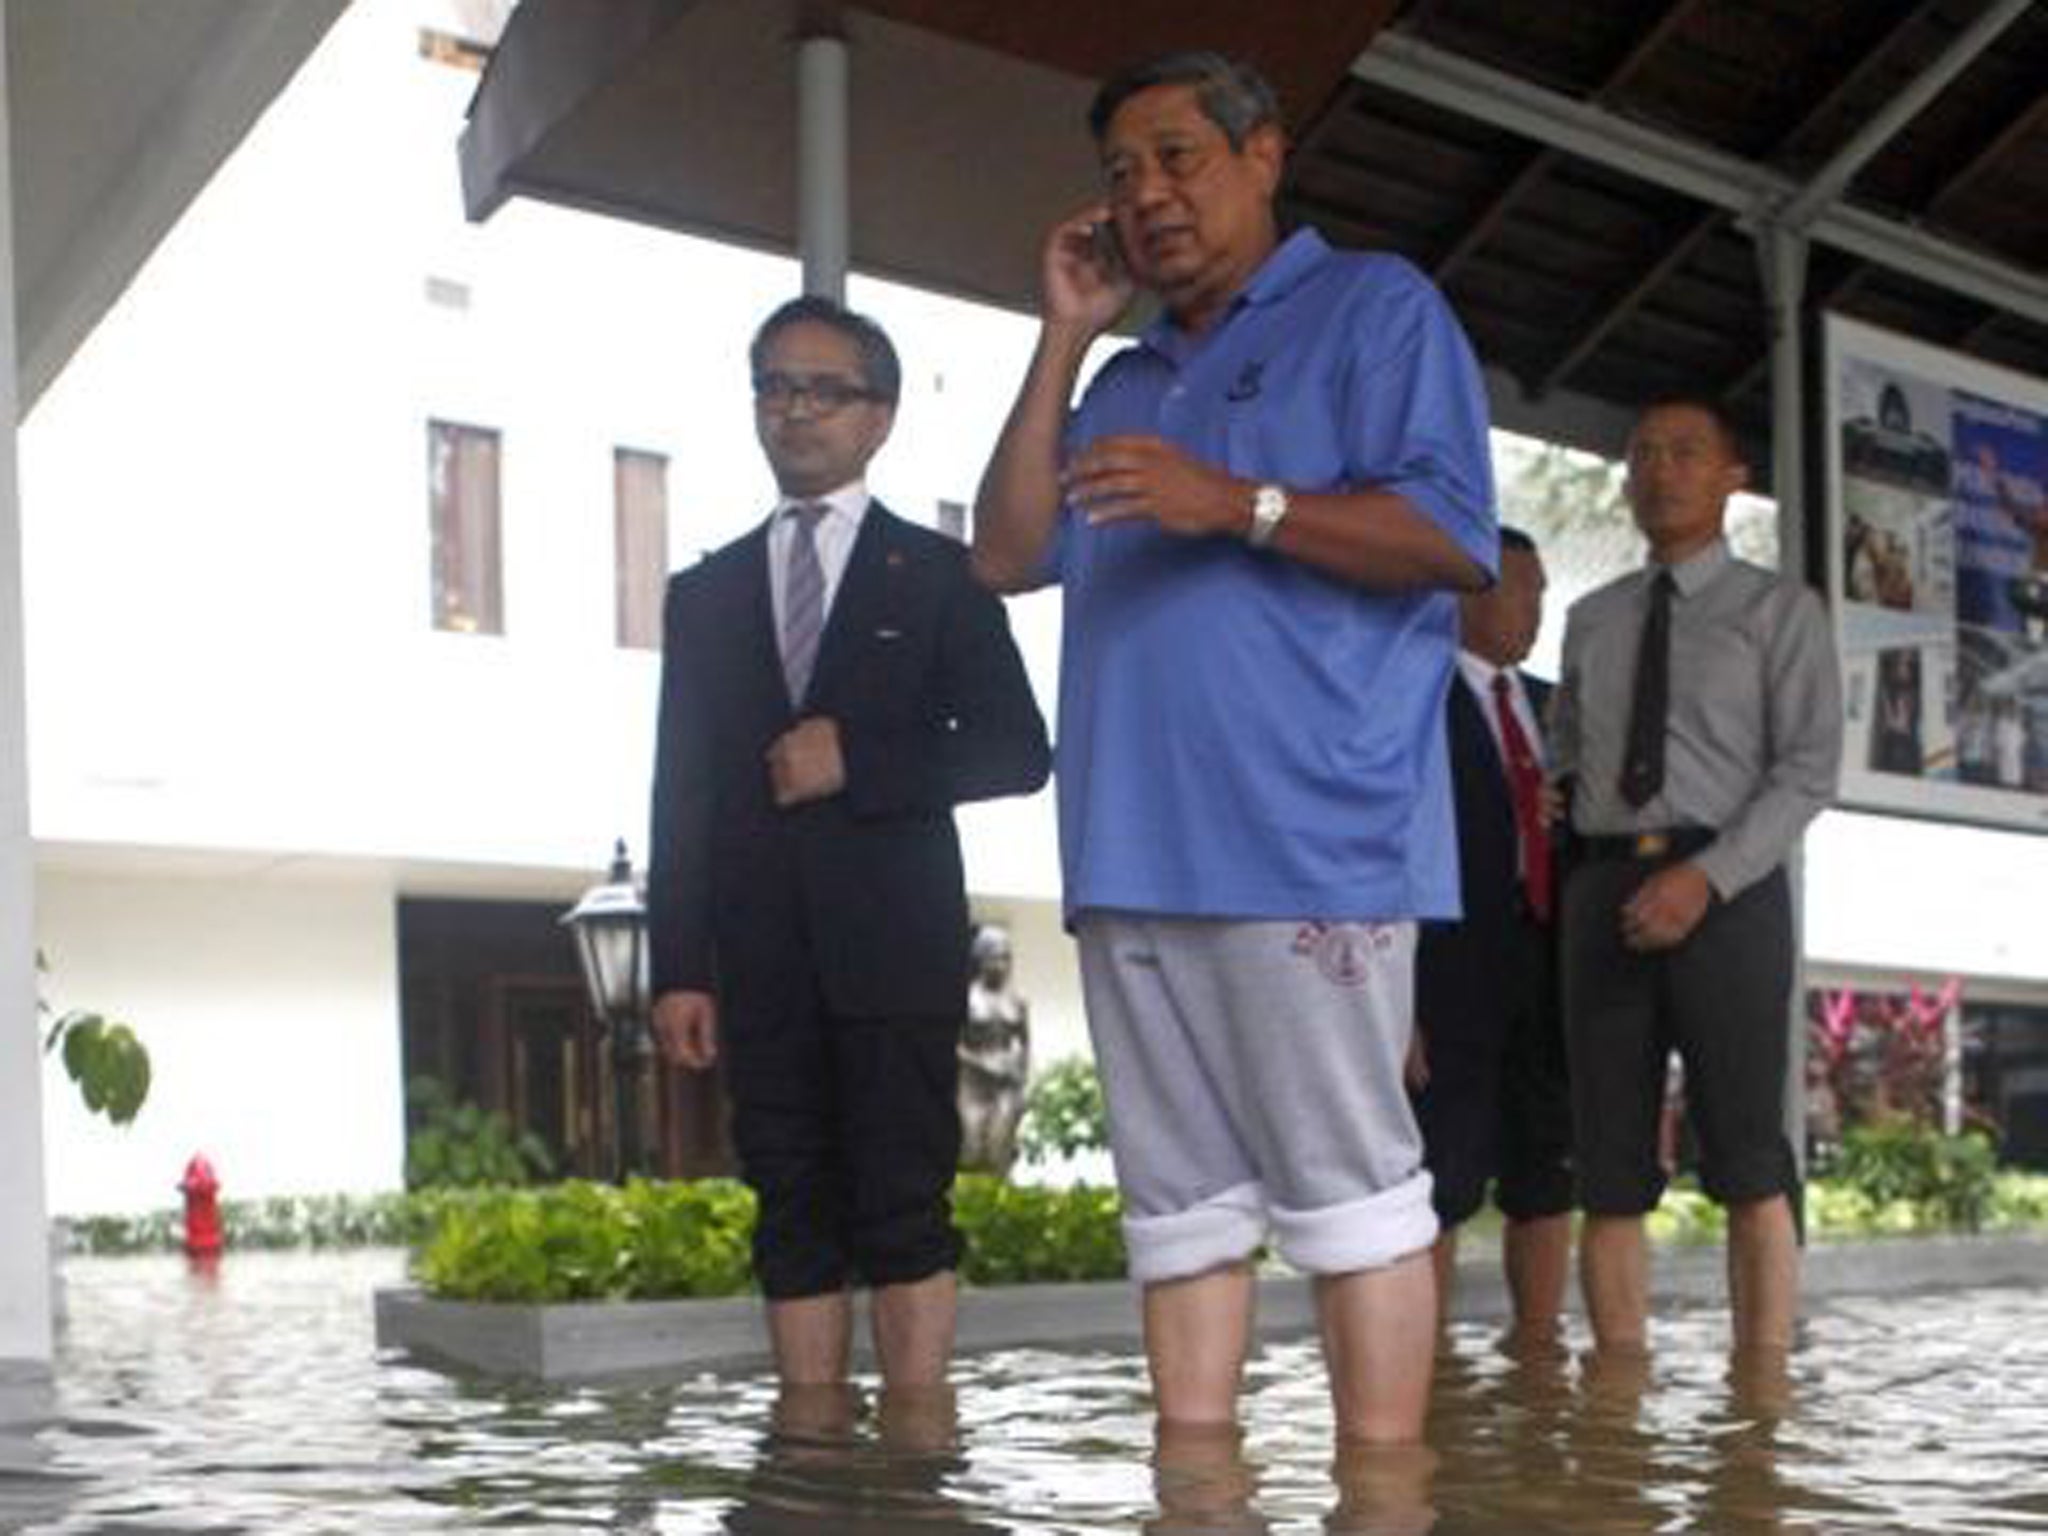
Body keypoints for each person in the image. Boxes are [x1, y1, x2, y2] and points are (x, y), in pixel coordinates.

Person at [970, 51, 1497, 1443]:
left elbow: (1455, 539)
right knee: (1182, 1220)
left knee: (1357, 1202)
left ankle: (1383, 1502)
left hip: (1310, 841)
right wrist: (1065, 336)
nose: (1145, 195)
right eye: (1119, 174)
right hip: (1131, 851)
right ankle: (1196, 1498)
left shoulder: (1377, 310)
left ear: (1265, 155)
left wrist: (1245, 501)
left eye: (1176, 157)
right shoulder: (1125, 381)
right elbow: (1007, 551)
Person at [646, 295, 1051, 1391]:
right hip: (757, 948)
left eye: (823, 389)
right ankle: (808, 1461)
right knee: (788, 1200)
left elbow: (1019, 751)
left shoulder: (941, 575)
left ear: (878, 416)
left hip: (895, 947)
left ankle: (920, 1460)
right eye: (774, 386)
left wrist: (859, 759)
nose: (795, 410)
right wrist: (677, 965)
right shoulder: (704, 593)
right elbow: (678, 788)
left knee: (902, 1200)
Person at [1550, 397, 1841, 1361]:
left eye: (1685, 452)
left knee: (1751, 1159)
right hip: (1603, 896)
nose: (1660, 470)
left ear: (1732, 478)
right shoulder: (1590, 619)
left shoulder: (1781, 612)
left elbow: (1806, 772)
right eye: (1643, 455)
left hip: (1731, 894)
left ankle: (1762, 1402)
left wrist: (1705, 879)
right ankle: (1617, 1416)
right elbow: (1565, 759)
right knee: (1609, 1168)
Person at [1407, 526, 1573, 1351]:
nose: (1535, 610)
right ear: (1468, 592)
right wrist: (1396, 1003)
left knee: (1546, 1170)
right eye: (1521, 590)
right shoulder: (1411, 695)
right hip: (1447, 974)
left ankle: (1538, 1355)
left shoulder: (1557, 708)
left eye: (1544, 593)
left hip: (1548, 968)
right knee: (1440, 1174)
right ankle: (1422, 1366)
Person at [958, 923, 1031, 1175]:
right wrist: (981, 1063)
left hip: (1006, 1085)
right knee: (971, 1147)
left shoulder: (1016, 1001)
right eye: (995, 957)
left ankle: (999, 1206)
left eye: (1006, 957)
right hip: (973, 1085)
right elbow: (952, 1045)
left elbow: (1024, 1042)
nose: (1001, 965)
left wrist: (1021, 1076)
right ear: (980, 959)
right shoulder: (965, 998)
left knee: (998, 1150)